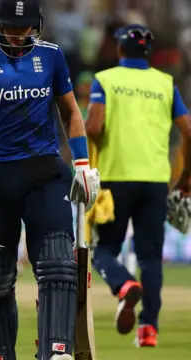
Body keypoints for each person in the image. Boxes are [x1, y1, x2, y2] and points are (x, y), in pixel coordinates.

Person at [0, 1, 100, 359]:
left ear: (37, 26)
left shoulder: (51, 56)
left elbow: (71, 114)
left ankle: (57, 350)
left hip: (44, 171)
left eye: (24, 28)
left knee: (58, 266)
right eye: (9, 27)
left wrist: (81, 163)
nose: (17, 35)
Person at [85, 24, 191, 348]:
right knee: (149, 256)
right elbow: (189, 132)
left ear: (119, 50)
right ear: (149, 52)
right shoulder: (166, 84)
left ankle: (123, 285)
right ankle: (148, 329)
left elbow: (94, 126)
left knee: (103, 250)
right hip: (156, 180)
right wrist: (185, 178)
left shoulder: (105, 80)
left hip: (116, 178)